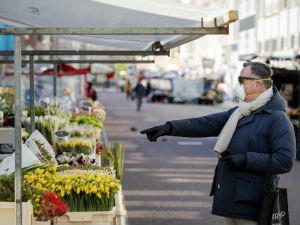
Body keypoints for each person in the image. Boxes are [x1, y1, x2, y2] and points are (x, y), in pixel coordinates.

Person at [140, 62, 296, 225]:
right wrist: (169, 127)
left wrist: (245, 159)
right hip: (232, 201)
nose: (238, 85)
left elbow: (285, 161)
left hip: (255, 206)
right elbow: (203, 124)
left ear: (258, 84)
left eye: (242, 80)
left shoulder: (278, 119)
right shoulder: (240, 111)